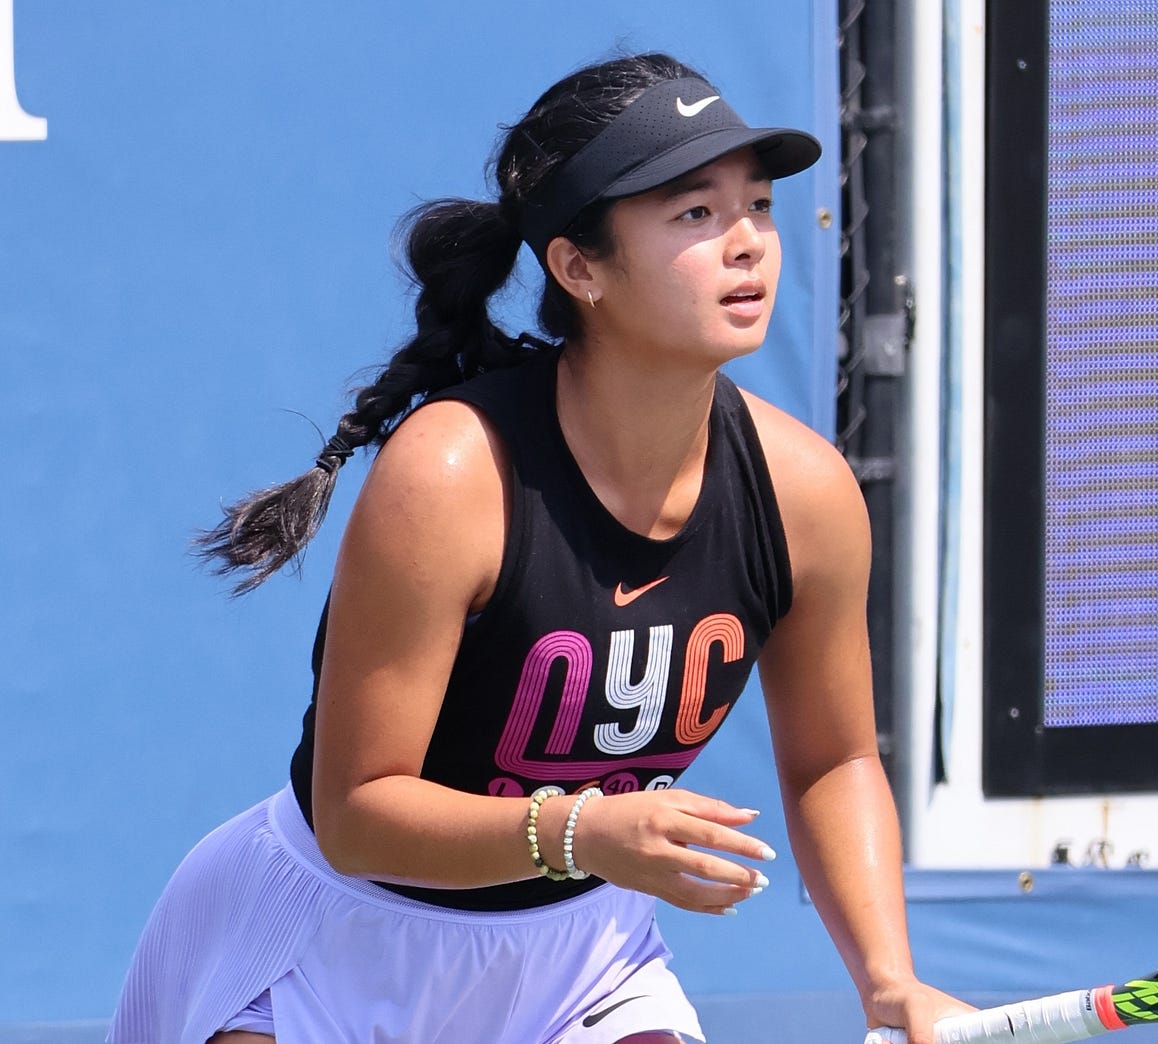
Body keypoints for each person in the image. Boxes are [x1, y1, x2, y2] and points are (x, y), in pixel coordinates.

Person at [109, 52, 969, 1044]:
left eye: (761, 206)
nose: (749, 244)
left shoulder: (805, 493)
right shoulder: (450, 476)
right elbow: (356, 818)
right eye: (695, 213)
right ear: (579, 267)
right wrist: (583, 830)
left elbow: (832, 758)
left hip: (581, 963)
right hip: (326, 944)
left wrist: (888, 983)